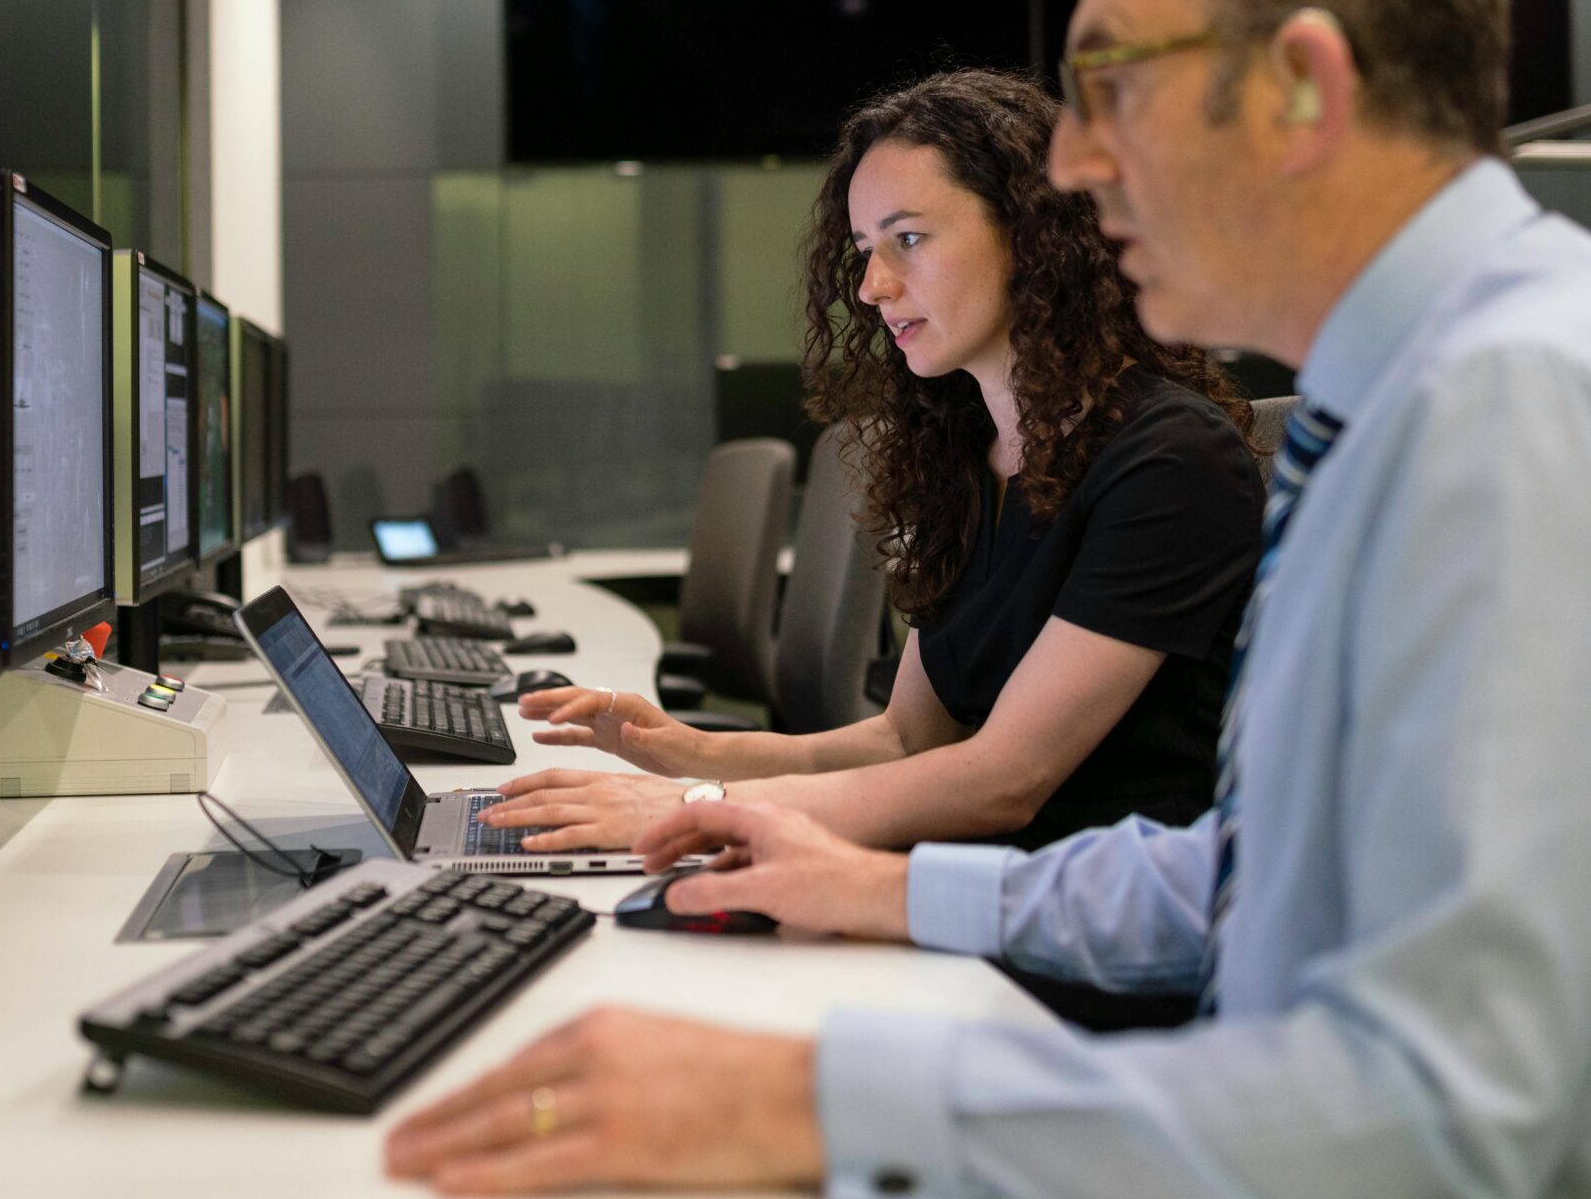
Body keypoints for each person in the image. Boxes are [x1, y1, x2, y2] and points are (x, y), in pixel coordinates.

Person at [386, 0, 1591, 1199]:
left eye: (1111, 90)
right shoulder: (1388, 410)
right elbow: (1248, 882)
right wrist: (885, 893)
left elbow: (1437, 1133)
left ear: (1300, 88)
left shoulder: (1510, 412)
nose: (1078, 168)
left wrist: (812, 1103)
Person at [479, 67, 1262, 865]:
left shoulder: (1170, 460)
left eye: (909, 239)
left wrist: (691, 808)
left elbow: (1006, 778)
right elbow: (905, 740)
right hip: (951, 886)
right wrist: (688, 752)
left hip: (1075, 931)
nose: (873, 286)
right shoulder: (962, 455)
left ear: (1032, 233)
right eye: (863, 251)